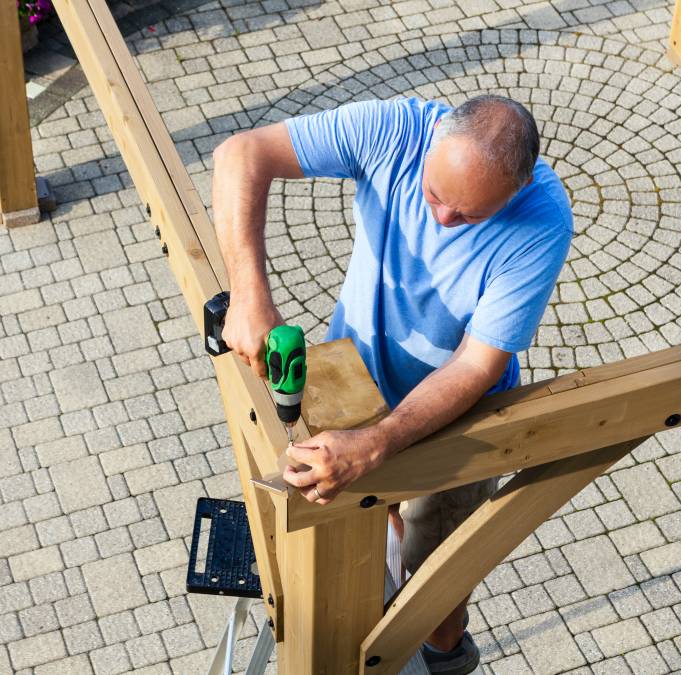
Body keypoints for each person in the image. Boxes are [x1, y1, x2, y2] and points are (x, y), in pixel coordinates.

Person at [211, 94, 573, 674]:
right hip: (354, 380)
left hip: (462, 417)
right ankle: (392, 548)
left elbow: (474, 367)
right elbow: (240, 153)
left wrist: (377, 444)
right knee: (378, 519)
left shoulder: (543, 221)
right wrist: (250, 294)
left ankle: (447, 654)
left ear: (519, 188)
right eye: (434, 195)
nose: (443, 220)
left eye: (471, 215)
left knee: (438, 575)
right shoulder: (397, 130)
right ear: (432, 146)